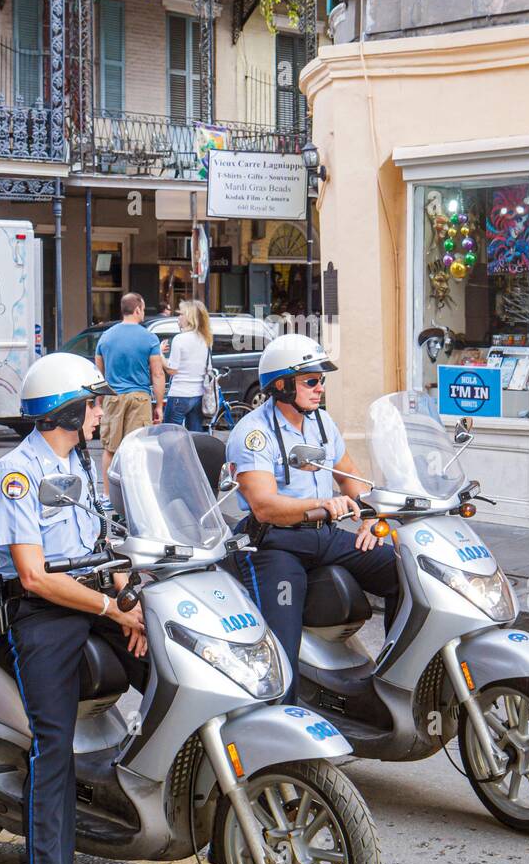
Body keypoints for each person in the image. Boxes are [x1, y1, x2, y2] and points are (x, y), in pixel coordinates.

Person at [0, 353, 148, 864]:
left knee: (167, 664)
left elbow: (107, 541)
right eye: (93, 402)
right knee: (52, 746)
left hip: (96, 598)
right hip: (42, 613)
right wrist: (111, 612)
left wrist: (129, 597)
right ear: (66, 411)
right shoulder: (17, 474)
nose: (100, 410)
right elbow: (33, 575)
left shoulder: (80, 462)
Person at [225, 333, 398, 699]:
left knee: (402, 568)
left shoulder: (321, 423)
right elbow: (264, 505)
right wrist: (320, 504)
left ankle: (395, 676)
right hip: (275, 543)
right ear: (282, 385)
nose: (320, 388)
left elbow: (351, 478)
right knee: (281, 641)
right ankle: (281, 725)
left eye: (322, 380)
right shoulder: (253, 433)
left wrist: (369, 516)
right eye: (311, 381)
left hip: (323, 535)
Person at [95, 293, 165, 501]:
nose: (143, 313)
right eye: (142, 309)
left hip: (112, 397)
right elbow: (158, 373)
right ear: (137, 310)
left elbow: (99, 373)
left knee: (110, 449)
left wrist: (98, 402)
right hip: (139, 398)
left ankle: (107, 496)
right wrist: (159, 405)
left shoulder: (106, 336)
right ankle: (135, 498)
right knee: (136, 450)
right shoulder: (149, 338)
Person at [162, 299, 212, 433]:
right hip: (198, 395)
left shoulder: (180, 339)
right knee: (195, 438)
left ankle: (173, 455)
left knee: (169, 435)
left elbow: (171, 370)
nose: (178, 317)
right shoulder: (205, 339)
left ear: (190, 317)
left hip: (179, 394)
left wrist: (159, 354)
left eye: (181, 314)